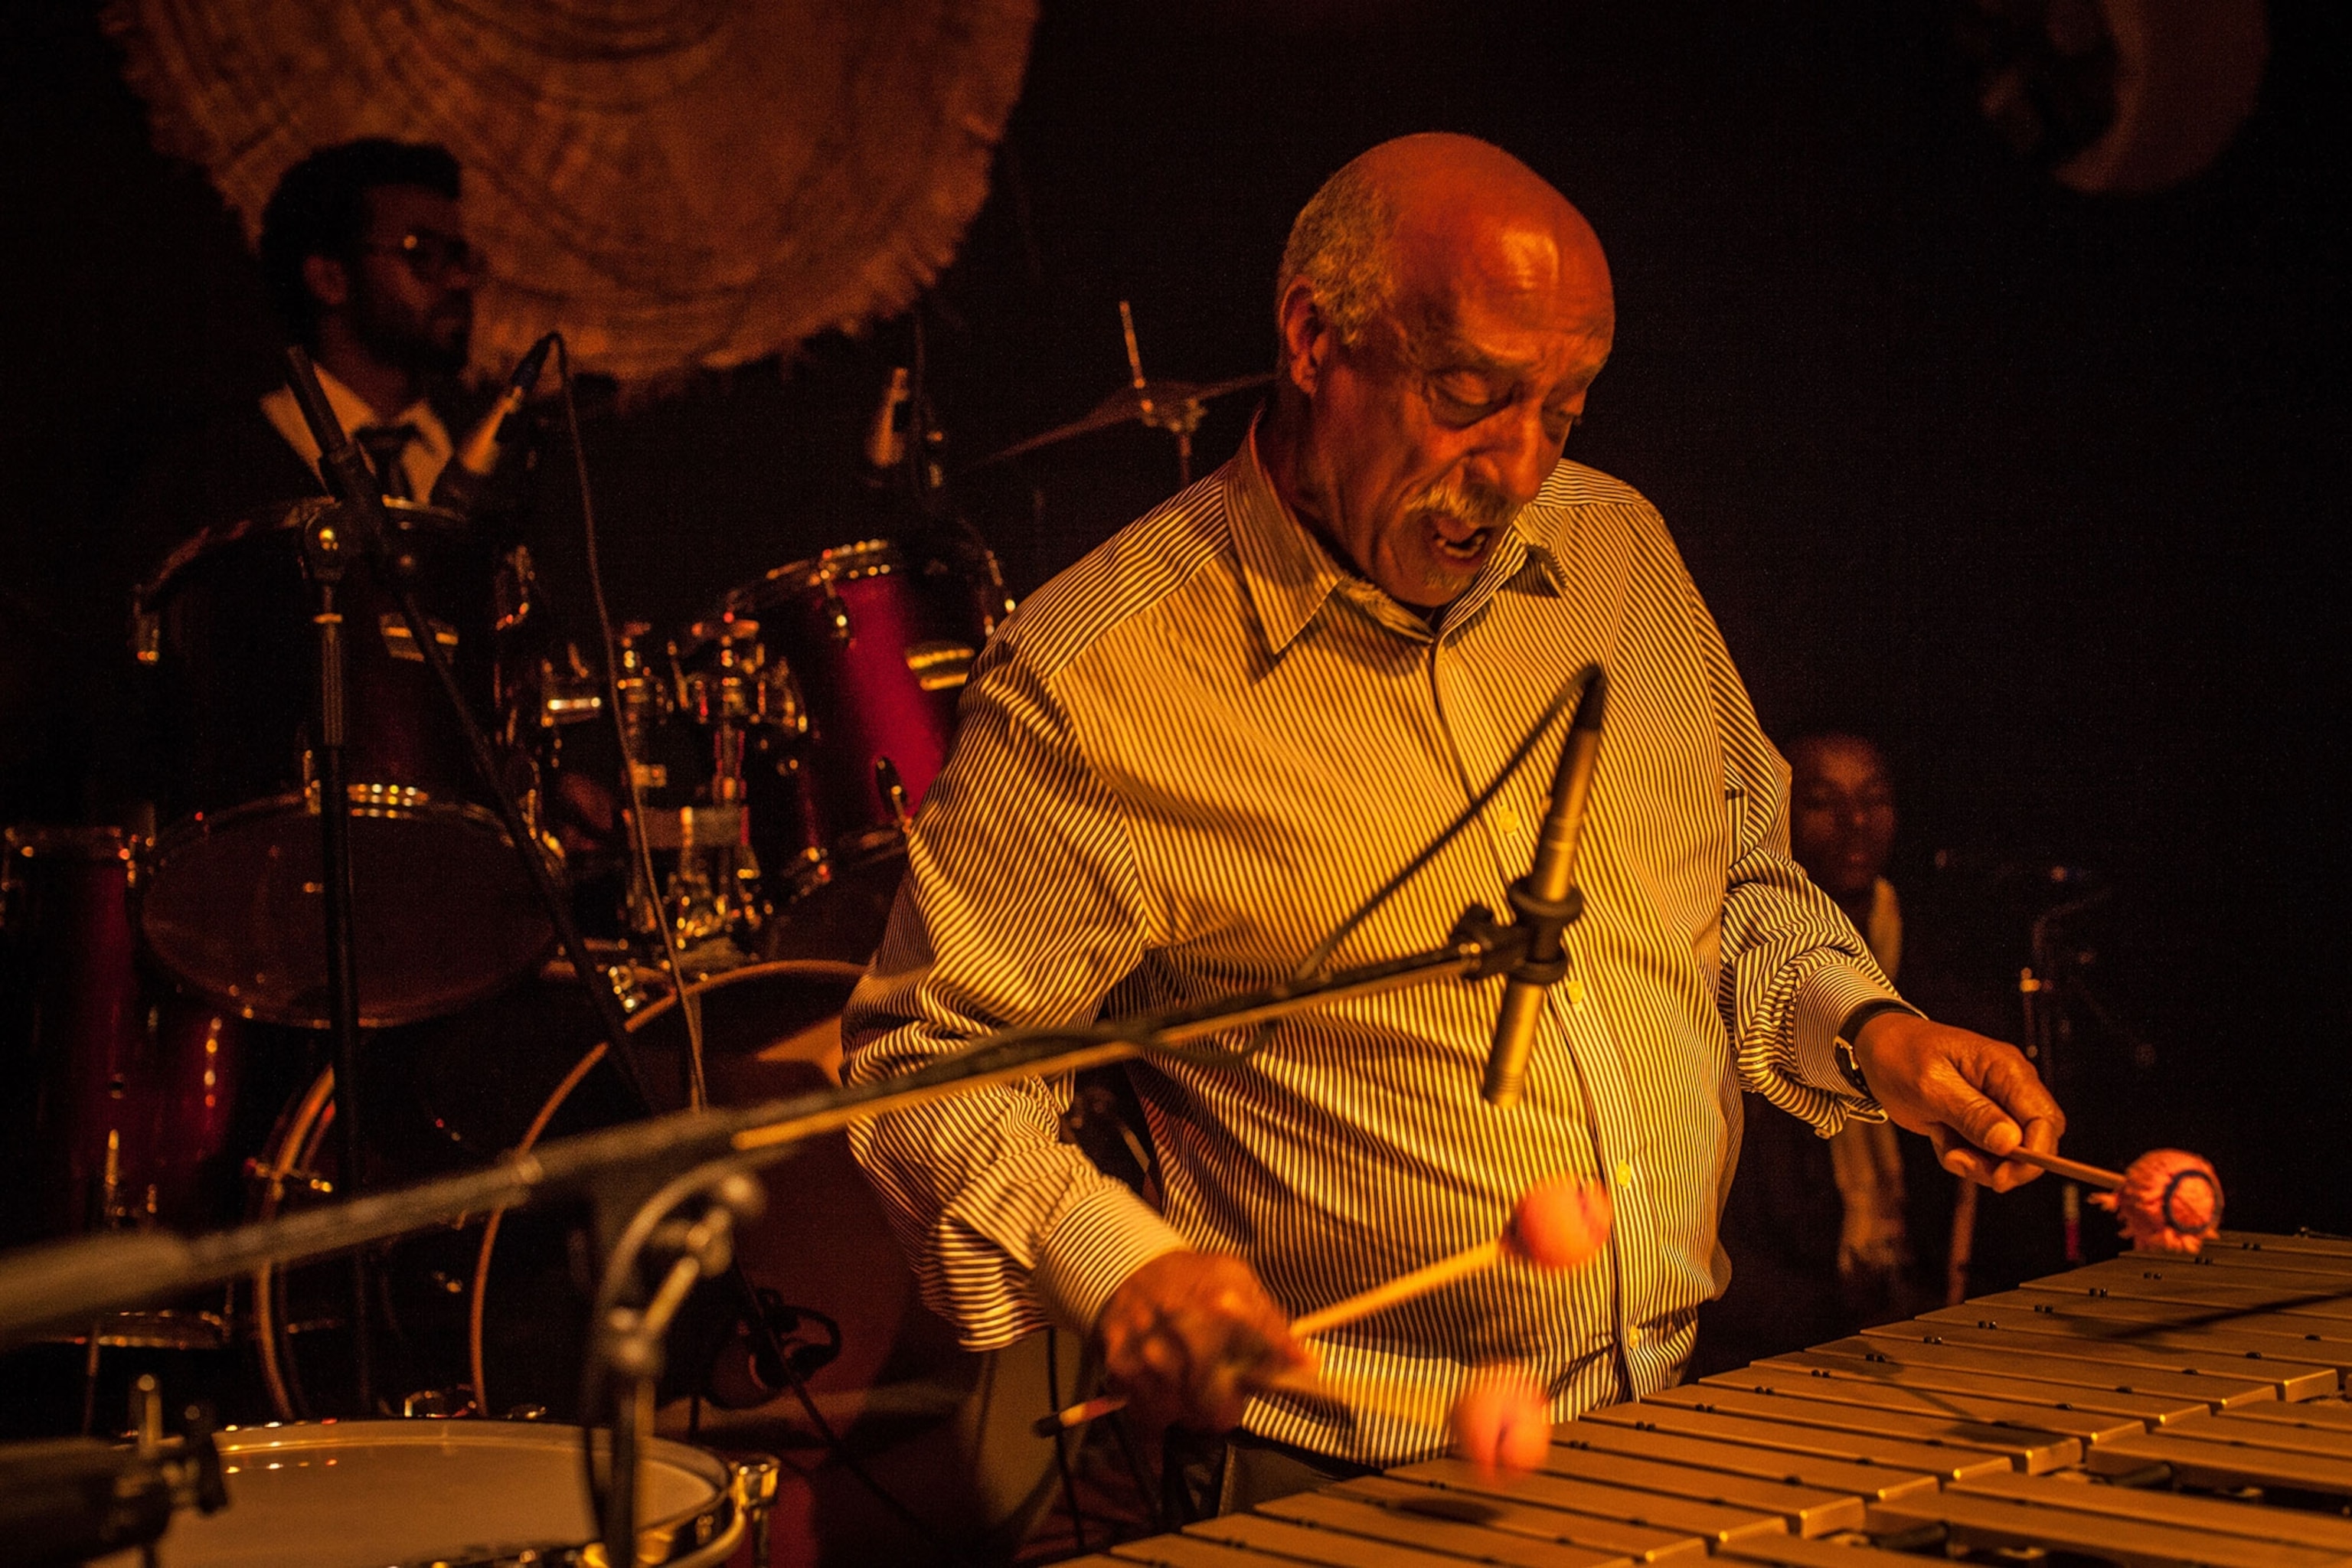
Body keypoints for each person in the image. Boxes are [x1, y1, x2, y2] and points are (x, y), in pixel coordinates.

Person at [839, 133, 2064, 1517]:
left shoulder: (1618, 554)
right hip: (1340, 1473)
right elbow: (928, 1065)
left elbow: (1733, 885)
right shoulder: (1097, 678)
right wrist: (1119, 1265)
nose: (1521, 469)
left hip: (1679, 1414)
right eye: (1470, 397)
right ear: (1315, 340)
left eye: (1564, 413)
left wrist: (1870, 1032)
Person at [1696, 731, 1982, 1373]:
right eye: (1823, 802)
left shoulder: (1944, 962)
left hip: (1924, 1308)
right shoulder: (1727, 968)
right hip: (1784, 1327)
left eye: (1874, 798)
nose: (1855, 822)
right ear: (1777, 814)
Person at [114, 138, 482, 586]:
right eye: (421, 252)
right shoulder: (210, 472)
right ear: (330, 278)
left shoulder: (500, 460)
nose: (460, 279)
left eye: (461, 256)